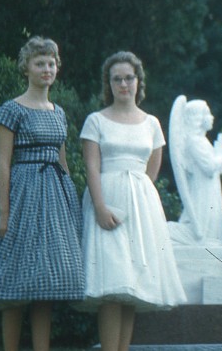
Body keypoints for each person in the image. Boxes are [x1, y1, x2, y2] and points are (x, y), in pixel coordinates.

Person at [0, 36, 84, 351]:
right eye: (40, 63)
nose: (46, 69)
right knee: (15, 282)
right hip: (22, 195)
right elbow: (3, 162)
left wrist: (70, 203)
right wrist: (5, 212)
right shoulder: (11, 109)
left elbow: (62, 160)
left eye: (51, 63)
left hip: (54, 200)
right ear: (27, 68)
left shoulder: (58, 112)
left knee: (47, 286)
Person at [80, 51, 187, 351]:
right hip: (106, 200)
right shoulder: (96, 121)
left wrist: (138, 196)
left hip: (140, 206)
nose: (124, 84)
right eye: (117, 79)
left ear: (138, 81)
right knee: (111, 285)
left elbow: (151, 168)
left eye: (129, 78)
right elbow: (92, 166)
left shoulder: (151, 123)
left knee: (131, 286)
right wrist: (100, 207)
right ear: (109, 84)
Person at [168, 95, 222, 246]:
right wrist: (221, 154)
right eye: (207, 113)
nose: (211, 117)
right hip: (202, 191)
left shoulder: (202, 141)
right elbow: (209, 167)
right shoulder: (194, 142)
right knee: (200, 228)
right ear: (197, 118)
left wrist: (219, 157)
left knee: (210, 230)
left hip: (209, 189)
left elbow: (217, 169)